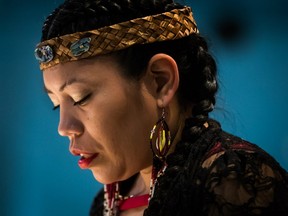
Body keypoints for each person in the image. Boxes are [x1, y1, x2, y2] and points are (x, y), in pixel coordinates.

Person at [34, 0, 288, 215]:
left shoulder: (235, 180)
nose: (64, 128)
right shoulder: (108, 201)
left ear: (160, 81)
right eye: (57, 105)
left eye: (80, 97)